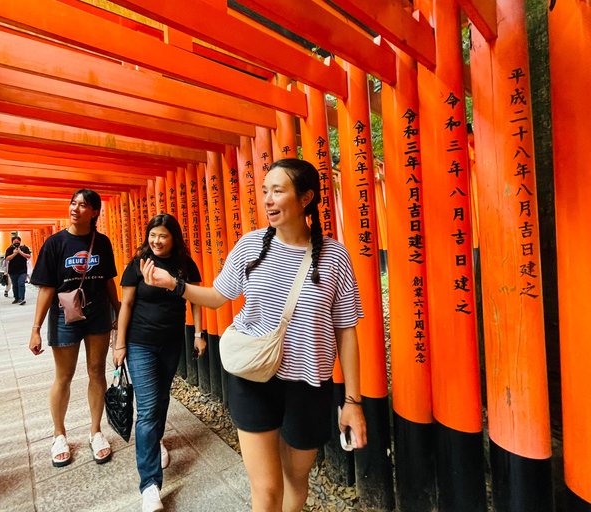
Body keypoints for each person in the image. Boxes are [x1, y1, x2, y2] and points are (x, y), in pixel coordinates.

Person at [141, 159, 367, 512]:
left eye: (278, 191)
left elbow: (346, 328)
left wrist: (353, 403)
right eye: (265, 191)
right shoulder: (250, 247)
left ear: (306, 197)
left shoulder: (334, 256)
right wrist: (175, 284)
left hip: (309, 383)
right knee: (266, 488)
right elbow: (217, 296)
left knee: (296, 480)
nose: (268, 200)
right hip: (252, 377)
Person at [113, 214, 204, 512]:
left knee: (161, 399)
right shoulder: (138, 264)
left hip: (171, 342)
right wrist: (120, 343)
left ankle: (156, 441)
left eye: (163, 236)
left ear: (174, 237)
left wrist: (199, 335)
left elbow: (196, 300)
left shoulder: (184, 265)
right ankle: (150, 485)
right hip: (140, 344)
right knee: (149, 408)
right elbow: (126, 304)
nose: (157, 241)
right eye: (153, 235)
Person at [28, 189, 121, 467]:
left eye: (83, 205)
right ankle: (59, 435)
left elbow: (108, 281)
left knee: (96, 371)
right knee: (64, 377)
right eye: (73, 203)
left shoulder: (101, 243)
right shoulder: (55, 243)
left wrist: (118, 312)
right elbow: (47, 288)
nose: (75, 208)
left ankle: (96, 431)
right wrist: (36, 328)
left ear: (94, 212)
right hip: (63, 315)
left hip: (97, 314)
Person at [4, 236, 31, 305]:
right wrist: (14, 254)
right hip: (13, 270)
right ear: (12, 242)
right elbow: (7, 258)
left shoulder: (24, 248)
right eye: (15, 242)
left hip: (23, 270)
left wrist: (21, 252)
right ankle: (16, 298)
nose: (16, 243)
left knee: (21, 283)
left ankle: (21, 298)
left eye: (17, 242)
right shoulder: (9, 249)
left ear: (20, 242)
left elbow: (29, 256)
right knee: (15, 285)